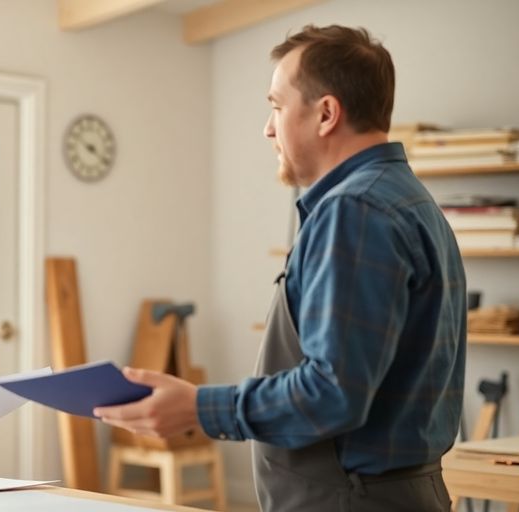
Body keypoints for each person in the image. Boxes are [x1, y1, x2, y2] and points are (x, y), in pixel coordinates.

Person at [95, 25, 465, 512]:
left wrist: (198, 408)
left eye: (276, 105)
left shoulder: (355, 211)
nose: (268, 128)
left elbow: (333, 393)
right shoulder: (406, 200)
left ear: (327, 114)